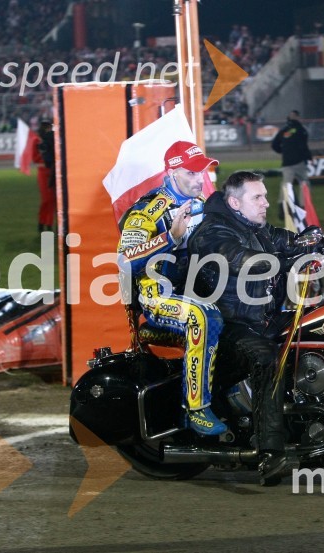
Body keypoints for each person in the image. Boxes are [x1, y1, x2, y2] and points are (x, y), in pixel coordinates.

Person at [188, 171, 324, 483]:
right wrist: (288, 255)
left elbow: (292, 241)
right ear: (235, 202)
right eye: (258, 197)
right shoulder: (212, 232)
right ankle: (270, 451)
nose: (267, 202)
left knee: (322, 323)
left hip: (261, 320)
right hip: (227, 326)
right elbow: (246, 259)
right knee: (269, 360)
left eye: (265, 195)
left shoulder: (259, 228)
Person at [116, 140, 226, 436]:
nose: (197, 178)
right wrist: (170, 237)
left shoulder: (203, 202)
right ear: (172, 171)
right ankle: (197, 409)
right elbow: (124, 261)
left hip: (199, 290)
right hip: (158, 299)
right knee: (203, 317)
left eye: (201, 171)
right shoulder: (147, 211)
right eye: (191, 173)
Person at [271, 110, 313, 218]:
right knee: (304, 184)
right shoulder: (301, 129)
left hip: (287, 163)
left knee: (285, 186)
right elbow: (303, 145)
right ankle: (303, 208)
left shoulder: (284, 130)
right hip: (299, 162)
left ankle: (282, 210)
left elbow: (274, 144)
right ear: (298, 118)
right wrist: (308, 156)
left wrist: (283, 151)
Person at [34, 120, 56, 233]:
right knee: (47, 199)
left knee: (52, 200)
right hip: (44, 171)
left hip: (52, 170)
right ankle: (43, 222)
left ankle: (48, 223)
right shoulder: (38, 141)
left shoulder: (49, 140)